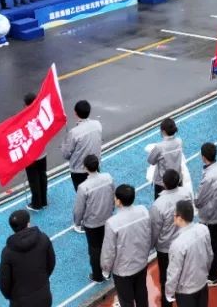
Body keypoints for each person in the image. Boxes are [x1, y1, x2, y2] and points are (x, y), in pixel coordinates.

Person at [101, 184, 152, 307]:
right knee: (141, 293)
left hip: (123, 270)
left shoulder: (112, 223)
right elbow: (148, 234)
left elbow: (109, 250)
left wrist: (106, 269)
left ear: (118, 201)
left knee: (126, 300)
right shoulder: (143, 211)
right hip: (141, 263)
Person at [0, 209, 56, 307]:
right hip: (43, 297)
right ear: (28, 224)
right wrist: (43, 279)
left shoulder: (7, 252)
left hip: (20, 302)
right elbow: (51, 263)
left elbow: (4, 281)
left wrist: (12, 296)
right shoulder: (43, 239)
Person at [150, 169, 191, 306]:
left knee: (166, 278)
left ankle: (167, 303)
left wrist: (151, 245)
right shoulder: (186, 194)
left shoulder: (158, 204)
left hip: (166, 248)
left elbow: (155, 229)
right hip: (185, 241)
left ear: (164, 183)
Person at [73, 154, 115, 283]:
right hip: (108, 218)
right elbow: (113, 195)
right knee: (108, 246)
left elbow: (79, 209)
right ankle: (108, 271)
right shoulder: (108, 178)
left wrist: (77, 222)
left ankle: (97, 275)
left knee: (95, 249)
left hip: (92, 224)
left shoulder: (83, 187)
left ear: (85, 168)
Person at [164, 200, 213, 307]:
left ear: (180, 218)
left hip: (186, 291)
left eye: (174, 214)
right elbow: (210, 255)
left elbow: (174, 272)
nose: (173, 216)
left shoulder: (177, 244)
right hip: (202, 282)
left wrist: (169, 292)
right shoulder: (204, 229)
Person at [193, 143, 217, 288]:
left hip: (211, 217)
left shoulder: (208, 177)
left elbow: (199, 200)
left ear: (203, 157)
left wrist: (196, 202)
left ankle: (213, 277)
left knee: (211, 247)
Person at [61, 100, 102, 192]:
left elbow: (66, 154)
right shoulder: (97, 125)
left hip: (79, 171)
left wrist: (65, 142)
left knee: (83, 195)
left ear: (75, 113)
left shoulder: (74, 133)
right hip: (94, 167)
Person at [20, 93, 48, 212]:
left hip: (30, 155)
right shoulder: (42, 112)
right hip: (42, 151)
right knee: (42, 175)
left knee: (33, 179)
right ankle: (44, 200)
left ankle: (36, 203)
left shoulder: (23, 117)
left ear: (26, 104)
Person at [148, 117, 184, 199]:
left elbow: (151, 160)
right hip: (177, 179)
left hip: (163, 183)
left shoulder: (159, 147)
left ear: (163, 131)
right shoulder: (179, 141)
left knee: (160, 203)